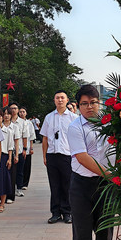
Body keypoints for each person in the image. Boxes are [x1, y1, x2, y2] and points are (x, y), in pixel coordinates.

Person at [68, 85, 113, 240]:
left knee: (105, 236)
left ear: (100, 102)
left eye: (93, 102)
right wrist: (111, 175)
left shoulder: (112, 124)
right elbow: (83, 157)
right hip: (82, 186)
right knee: (82, 237)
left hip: (106, 187)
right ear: (78, 106)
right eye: (84, 103)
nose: (89, 107)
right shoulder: (75, 127)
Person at [41, 90, 78, 224]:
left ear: (67, 100)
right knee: (54, 185)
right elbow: (45, 138)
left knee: (67, 184)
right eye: (57, 98)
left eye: (62, 98)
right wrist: (44, 156)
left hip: (68, 155)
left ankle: (67, 212)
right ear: (54, 100)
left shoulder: (73, 118)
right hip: (52, 155)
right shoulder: (49, 117)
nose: (60, 100)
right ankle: (55, 213)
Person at [0, 108, 14, 212]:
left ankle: (2, 204)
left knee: (3, 180)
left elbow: (10, 146)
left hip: (4, 157)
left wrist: (10, 159)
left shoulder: (8, 131)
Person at [7, 102, 24, 202]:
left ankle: (17, 189)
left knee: (17, 172)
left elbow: (21, 138)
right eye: (11, 109)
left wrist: (25, 149)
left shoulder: (21, 123)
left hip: (16, 151)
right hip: (4, 152)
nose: (13, 110)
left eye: (15, 108)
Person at [19, 107, 36, 190]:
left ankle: (25, 183)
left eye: (23, 112)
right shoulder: (17, 122)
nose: (22, 113)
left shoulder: (29, 123)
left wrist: (31, 148)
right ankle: (19, 182)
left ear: (26, 113)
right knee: (20, 166)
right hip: (19, 147)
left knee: (27, 166)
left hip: (28, 146)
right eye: (20, 112)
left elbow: (32, 136)